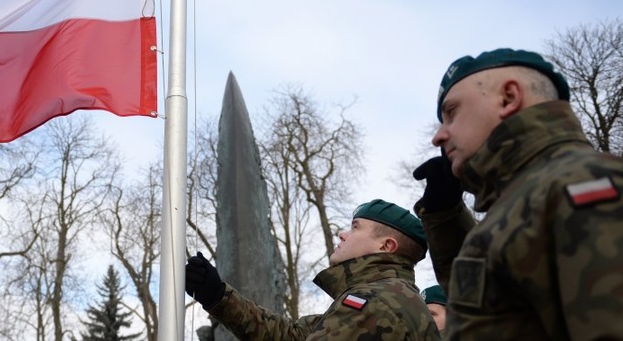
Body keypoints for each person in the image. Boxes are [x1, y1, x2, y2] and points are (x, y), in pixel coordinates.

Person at [413, 48, 623, 339]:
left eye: (452, 113)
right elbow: (494, 309)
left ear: (509, 97)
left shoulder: (583, 182)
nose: (439, 135)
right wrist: (444, 215)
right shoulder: (530, 198)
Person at [185, 199, 440, 340]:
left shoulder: (376, 303)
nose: (342, 234)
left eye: (355, 227)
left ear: (386, 245)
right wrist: (218, 296)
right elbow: (291, 336)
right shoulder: (384, 297)